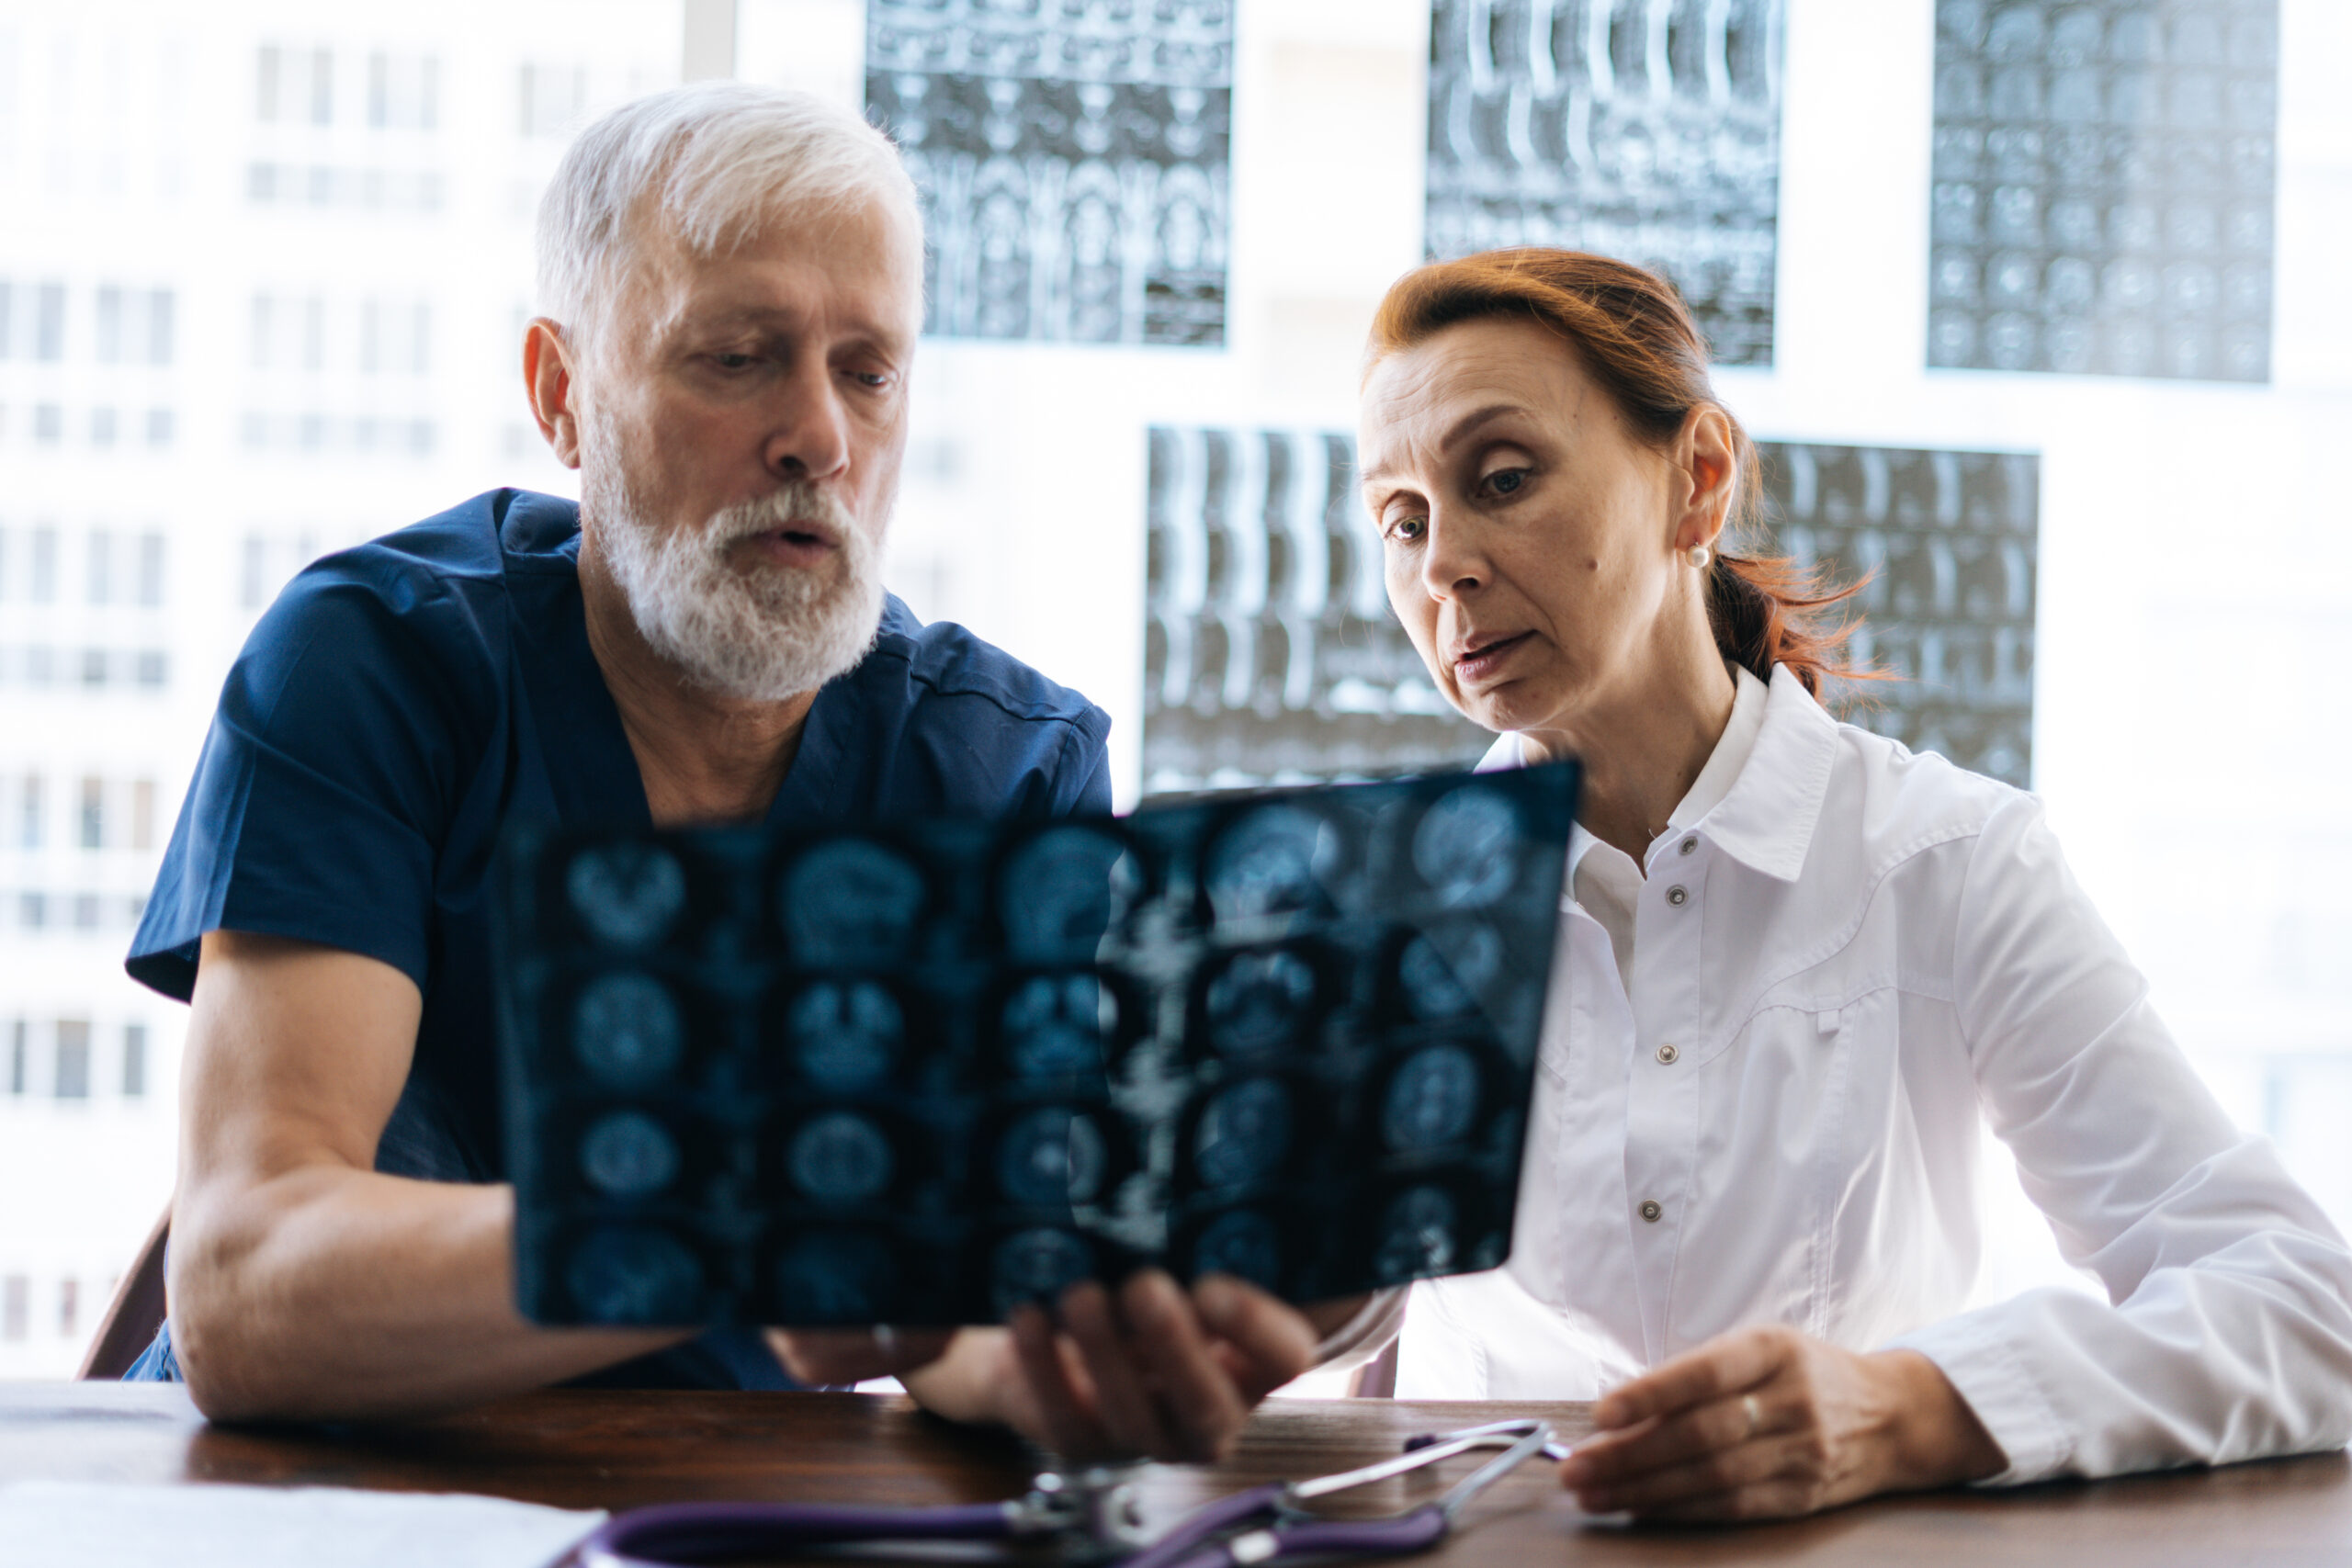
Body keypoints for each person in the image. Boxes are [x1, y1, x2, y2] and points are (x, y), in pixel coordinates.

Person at [120, 83, 1343, 1457]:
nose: (819, 436)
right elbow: (244, 1291)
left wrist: (1051, 1357)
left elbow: (969, 1299)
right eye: (738, 355)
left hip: (725, 1497)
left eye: (867, 371)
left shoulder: (1001, 768)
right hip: (310, 1495)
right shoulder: (374, 665)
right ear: (560, 392)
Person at [1350, 247, 2352, 1520]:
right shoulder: (1384, 904)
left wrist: (1904, 1409)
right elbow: (1300, 1334)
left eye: (1502, 479)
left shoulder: (1945, 860)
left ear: (1697, 482)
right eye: (1402, 519)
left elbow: (2302, 1305)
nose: (1442, 568)